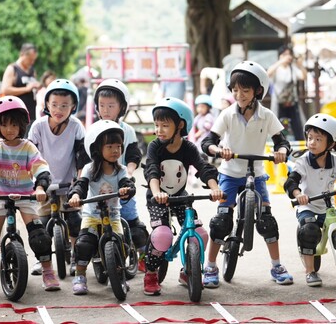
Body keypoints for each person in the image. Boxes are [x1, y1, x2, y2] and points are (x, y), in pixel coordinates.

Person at [201, 61, 294, 288]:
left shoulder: (267, 116)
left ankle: (276, 265)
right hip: (230, 174)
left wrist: (281, 152)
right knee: (222, 221)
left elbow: (282, 142)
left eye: (245, 90)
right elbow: (207, 142)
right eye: (235, 90)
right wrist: (219, 150)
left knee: (268, 222)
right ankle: (210, 267)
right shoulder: (227, 114)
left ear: (257, 91)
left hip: (258, 173)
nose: (239, 95)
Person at [0, 96, 60, 298]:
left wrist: (39, 187)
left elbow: (42, 169)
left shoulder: (28, 147)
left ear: (22, 125)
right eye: (3, 125)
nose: (9, 129)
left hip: (24, 195)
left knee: (39, 236)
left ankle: (48, 271)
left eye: (14, 124)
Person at [143, 97, 224, 296]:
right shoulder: (155, 146)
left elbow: (203, 168)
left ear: (180, 125)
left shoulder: (188, 148)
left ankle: (188, 270)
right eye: (156, 125)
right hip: (157, 198)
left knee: (201, 234)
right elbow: (152, 170)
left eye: (164, 125)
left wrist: (215, 188)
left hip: (180, 196)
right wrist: (156, 193)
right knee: (162, 236)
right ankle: (151, 273)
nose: (159, 130)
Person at [284, 113, 336, 287]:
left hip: (327, 205)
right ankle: (310, 271)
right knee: (309, 231)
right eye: (310, 138)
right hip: (307, 205)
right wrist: (297, 194)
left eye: (318, 139)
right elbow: (290, 181)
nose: (312, 143)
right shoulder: (302, 162)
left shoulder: (335, 161)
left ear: (331, 144)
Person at [67, 120, 136, 295]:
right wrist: (75, 196)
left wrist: (126, 189)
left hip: (113, 215)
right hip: (92, 216)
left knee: (121, 244)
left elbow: (127, 182)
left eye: (119, 146)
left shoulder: (120, 170)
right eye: (110, 146)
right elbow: (81, 185)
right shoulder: (89, 169)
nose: (115, 150)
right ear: (97, 148)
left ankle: (119, 273)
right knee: (84, 244)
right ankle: (80, 275)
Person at [28, 79, 89, 276]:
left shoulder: (76, 126)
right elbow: (30, 156)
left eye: (64, 105)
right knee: (42, 225)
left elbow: (82, 156)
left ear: (73, 107)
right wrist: (35, 183)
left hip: (68, 183)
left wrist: (79, 182)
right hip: (43, 185)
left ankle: (74, 257)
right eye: (54, 104)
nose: (58, 109)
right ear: (46, 104)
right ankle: (42, 260)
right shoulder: (38, 127)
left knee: (74, 221)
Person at [93, 79, 148, 272]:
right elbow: (86, 156)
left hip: (122, 185)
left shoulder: (128, 130)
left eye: (111, 105)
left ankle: (143, 255)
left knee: (133, 224)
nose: (105, 110)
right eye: (102, 105)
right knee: (91, 225)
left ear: (122, 107)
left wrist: (130, 171)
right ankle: (86, 258)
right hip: (99, 185)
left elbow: (134, 154)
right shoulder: (94, 129)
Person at [267, 46, 307, 141]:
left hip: (292, 102)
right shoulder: (277, 68)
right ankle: (280, 145)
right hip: (279, 103)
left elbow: (303, 76)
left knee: (297, 125)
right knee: (279, 127)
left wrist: (300, 65)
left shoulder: (292, 68)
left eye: (289, 54)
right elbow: (268, 73)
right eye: (284, 54)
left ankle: (300, 146)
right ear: (279, 56)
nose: (287, 57)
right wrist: (281, 61)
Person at [0, 43, 41, 125]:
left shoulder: (32, 71)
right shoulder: (12, 69)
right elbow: (5, 89)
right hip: (16, 115)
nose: (32, 62)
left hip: (31, 114)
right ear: (22, 54)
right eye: (30, 59)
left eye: (34, 60)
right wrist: (26, 89)